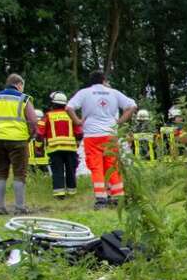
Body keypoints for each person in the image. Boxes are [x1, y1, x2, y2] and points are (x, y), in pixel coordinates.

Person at [70, 69, 136, 207]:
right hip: (110, 135)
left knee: (96, 167)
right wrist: (120, 121)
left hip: (92, 136)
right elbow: (132, 106)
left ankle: (101, 199)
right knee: (112, 165)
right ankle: (118, 196)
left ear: (91, 81)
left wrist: (77, 121)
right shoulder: (114, 92)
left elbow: (69, 107)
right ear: (103, 80)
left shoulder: (84, 92)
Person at [0, 74, 41, 215]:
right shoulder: (23, 99)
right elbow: (32, 121)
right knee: (20, 174)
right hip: (18, 141)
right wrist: (30, 136)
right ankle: (19, 207)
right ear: (19, 84)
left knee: (0, 173)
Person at [41, 92, 81, 198]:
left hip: (55, 149)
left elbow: (40, 132)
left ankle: (59, 194)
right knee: (71, 170)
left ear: (53, 103)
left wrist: (39, 145)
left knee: (57, 171)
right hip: (70, 148)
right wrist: (77, 143)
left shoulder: (48, 116)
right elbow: (79, 132)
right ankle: (72, 192)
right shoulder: (71, 115)